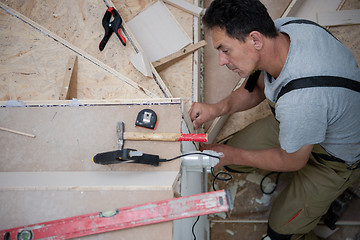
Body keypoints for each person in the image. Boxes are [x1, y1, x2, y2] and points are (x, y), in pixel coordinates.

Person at [189, 0, 360, 239]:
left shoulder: (301, 101)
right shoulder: (287, 29)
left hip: (334, 159)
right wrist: (217, 108)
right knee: (232, 155)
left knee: (281, 232)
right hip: (303, 123)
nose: (221, 61)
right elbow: (258, 87)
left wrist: (231, 155)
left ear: (255, 40)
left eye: (225, 50)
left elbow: (292, 160)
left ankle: (330, 195)